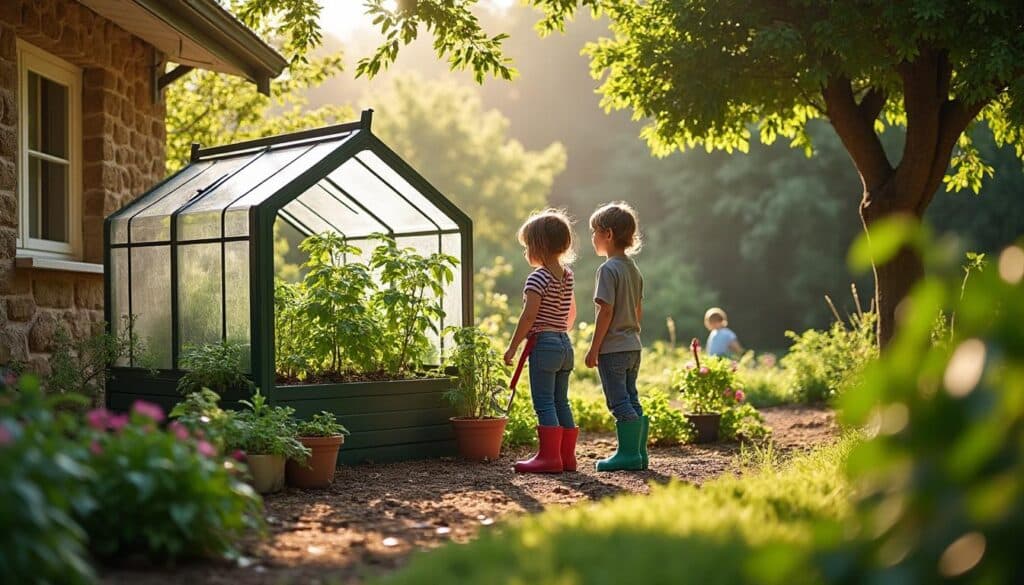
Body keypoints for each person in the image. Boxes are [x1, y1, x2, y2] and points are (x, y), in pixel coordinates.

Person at [504, 209, 578, 474]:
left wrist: (513, 346)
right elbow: (567, 312)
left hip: (545, 345)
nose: (525, 253)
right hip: (564, 344)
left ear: (539, 246)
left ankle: (549, 458)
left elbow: (528, 317)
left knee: (544, 402)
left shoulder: (538, 277)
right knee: (561, 401)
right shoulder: (567, 276)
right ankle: (567, 458)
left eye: (527, 247)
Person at [584, 202, 648, 472]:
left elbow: (605, 310)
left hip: (613, 349)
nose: (592, 238)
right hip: (633, 345)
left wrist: (594, 348)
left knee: (618, 401)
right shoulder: (633, 269)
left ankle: (628, 455)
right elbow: (638, 311)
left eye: (594, 232)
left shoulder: (607, 270)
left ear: (607, 234)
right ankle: (639, 454)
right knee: (632, 398)